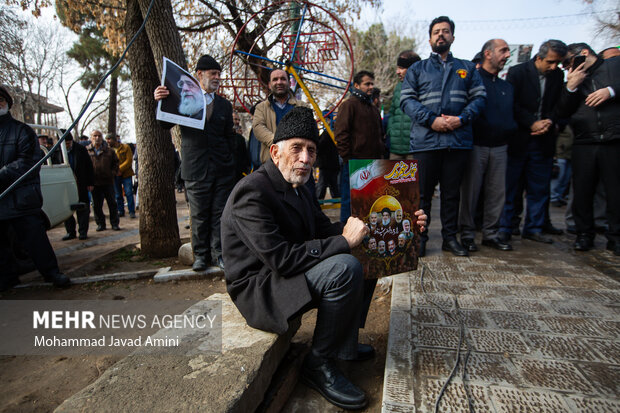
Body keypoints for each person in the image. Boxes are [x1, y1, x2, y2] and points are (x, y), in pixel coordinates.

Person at [221, 106, 426, 410]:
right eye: (297, 149)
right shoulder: (251, 192)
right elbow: (282, 260)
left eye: (311, 151)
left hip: (285, 271)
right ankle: (318, 363)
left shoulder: (300, 186)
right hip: (261, 287)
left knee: (364, 247)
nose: (305, 159)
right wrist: (345, 240)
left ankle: (343, 344)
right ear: (275, 152)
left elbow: (321, 230)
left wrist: (396, 222)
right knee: (344, 265)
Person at [400, 15, 486, 257]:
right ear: (429, 39)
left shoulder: (467, 68)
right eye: (437, 31)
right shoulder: (417, 69)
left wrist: (461, 119)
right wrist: (432, 120)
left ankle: (450, 238)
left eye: (445, 31)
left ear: (452, 37)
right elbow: (406, 100)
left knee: (451, 194)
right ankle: (420, 238)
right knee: (422, 196)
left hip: (457, 143)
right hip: (426, 143)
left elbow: (479, 99)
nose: (441, 35)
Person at [154, 54, 235, 271]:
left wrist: (231, 163)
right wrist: (161, 99)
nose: (217, 78)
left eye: (219, 74)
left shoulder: (225, 106)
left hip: (222, 170)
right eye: (213, 74)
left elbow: (229, 136)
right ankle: (200, 256)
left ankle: (219, 254)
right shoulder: (183, 98)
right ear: (199, 75)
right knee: (199, 215)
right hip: (195, 169)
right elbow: (163, 123)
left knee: (220, 215)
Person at [0, 85, 70, 290]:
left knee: (35, 240)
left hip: (22, 200)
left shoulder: (22, 131)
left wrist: (2, 175)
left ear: (7, 104)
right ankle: (7, 278)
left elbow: (28, 162)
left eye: (0, 100)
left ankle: (51, 273)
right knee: (2, 245)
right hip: (1, 201)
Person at [498, 39, 567, 244]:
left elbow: (558, 105)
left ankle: (534, 228)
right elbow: (512, 103)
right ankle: (506, 227)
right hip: (519, 139)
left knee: (539, 188)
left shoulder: (558, 76)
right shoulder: (518, 73)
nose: (554, 67)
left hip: (543, 141)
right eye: (550, 62)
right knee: (511, 187)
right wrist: (531, 123)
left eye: (557, 63)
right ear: (539, 58)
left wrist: (550, 122)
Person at [557, 42, 620, 255]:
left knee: (615, 192)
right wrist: (571, 87)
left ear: (583, 53)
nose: (565, 67)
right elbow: (562, 112)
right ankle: (584, 235)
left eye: (567, 61)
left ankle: (616, 237)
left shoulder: (614, 65)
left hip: (614, 138)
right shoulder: (572, 78)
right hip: (584, 141)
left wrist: (611, 91)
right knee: (582, 191)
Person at [459, 39, 516, 252]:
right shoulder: (472, 80)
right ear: (488, 54)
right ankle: (466, 233)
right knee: (471, 192)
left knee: (497, 192)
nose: (507, 55)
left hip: (501, 146)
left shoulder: (505, 86)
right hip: (476, 145)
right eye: (503, 50)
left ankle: (491, 234)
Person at [335, 70, 385, 223]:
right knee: (349, 204)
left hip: (373, 165)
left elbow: (380, 136)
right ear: (356, 85)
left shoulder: (373, 109)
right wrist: (349, 160)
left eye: (372, 84)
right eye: (366, 84)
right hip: (354, 165)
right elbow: (341, 135)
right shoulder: (348, 105)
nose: (370, 87)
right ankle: (346, 240)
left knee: (370, 203)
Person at [252, 68, 307, 165]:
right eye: (275, 79)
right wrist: (277, 143)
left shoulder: (302, 106)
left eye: (283, 79)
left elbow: (306, 130)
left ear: (289, 83)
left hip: (295, 163)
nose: (279, 82)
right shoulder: (261, 107)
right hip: (269, 163)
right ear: (269, 85)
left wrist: (290, 146)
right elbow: (258, 127)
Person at [386, 50, 421, 160]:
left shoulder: (424, 86)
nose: (397, 72)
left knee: (416, 177)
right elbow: (392, 112)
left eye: (401, 68)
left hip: (415, 149)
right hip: (395, 149)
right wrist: (391, 131)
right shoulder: (398, 87)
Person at [62, 130, 94, 240]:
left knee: (83, 208)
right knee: (66, 209)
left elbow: (89, 167)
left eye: (69, 143)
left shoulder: (80, 149)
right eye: (65, 143)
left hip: (81, 183)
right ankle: (70, 232)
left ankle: (83, 232)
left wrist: (90, 182)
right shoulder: (57, 151)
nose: (67, 145)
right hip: (65, 185)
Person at [87, 130, 120, 232]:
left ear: (102, 137)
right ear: (91, 138)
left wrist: (112, 173)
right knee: (97, 205)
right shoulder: (87, 151)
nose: (97, 138)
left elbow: (116, 163)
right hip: (94, 183)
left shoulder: (109, 151)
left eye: (99, 136)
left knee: (112, 204)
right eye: (94, 136)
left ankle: (114, 223)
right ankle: (101, 224)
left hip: (108, 182)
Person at [106, 133, 136, 219]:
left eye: (109, 139)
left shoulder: (126, 147)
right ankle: (120, 211)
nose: (108, 141)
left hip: (126, 174)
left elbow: (129, 160)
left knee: (129, 193)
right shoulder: (108, 150)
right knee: (118, 194)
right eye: (107, 140)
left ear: (114, 139)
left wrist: (119, 169)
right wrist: (115, 171)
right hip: (115, 176)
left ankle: (131, 211)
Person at [315, 112, 340, 199]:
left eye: (326, 119)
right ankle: (336, 199)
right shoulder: (331, 132)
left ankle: (319, 200)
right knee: (333, 185)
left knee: (323, 185)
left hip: (326, 164)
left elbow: (319, 145)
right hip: (331, 163)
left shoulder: (327, 133)